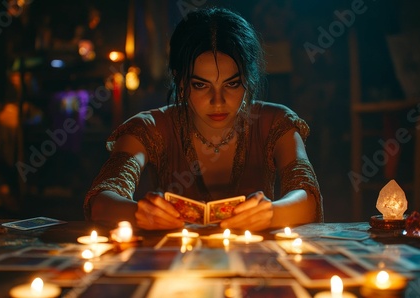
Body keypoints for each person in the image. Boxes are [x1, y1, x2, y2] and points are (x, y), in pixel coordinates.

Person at [84, 7, 323, 231]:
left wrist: (271, 213)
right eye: (200, 85)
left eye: (231, 84)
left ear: (248, 81)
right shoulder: (151, 128)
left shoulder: (275, 123)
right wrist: (138, 213)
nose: (217, 101)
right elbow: (101, 200)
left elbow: (308, 198)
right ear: (180, 81)